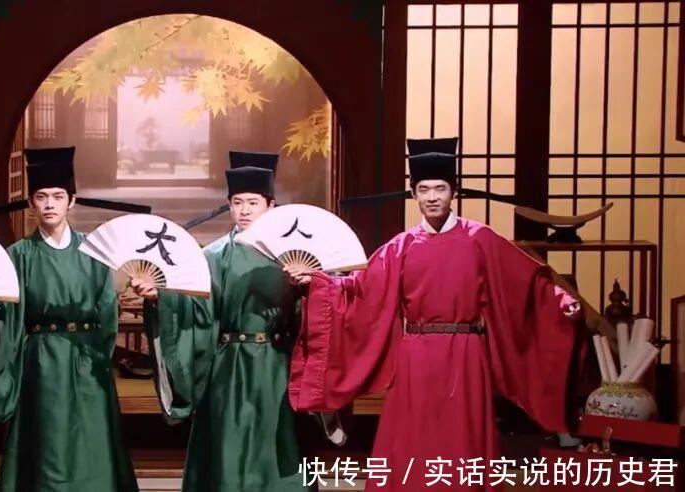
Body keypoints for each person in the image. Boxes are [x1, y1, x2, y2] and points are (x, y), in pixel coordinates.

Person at [285, 137, 583, 491]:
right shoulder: (401, 246)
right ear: (414, 195)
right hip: (416, 353)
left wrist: (560, 299)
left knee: (463, 435)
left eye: (440, 188)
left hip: (466, 353)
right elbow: (361, 289)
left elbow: (523, 281)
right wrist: (319, 283)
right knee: (413, 434)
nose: (432, 197)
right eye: (423, 189)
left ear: (453, 192)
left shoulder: (480, 239)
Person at [0, 147, 147, 492]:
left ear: (71, 201)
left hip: (88, 360)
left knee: (92, 441)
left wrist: (98, 358)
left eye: (58, 196)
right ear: (31, 204)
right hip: (39, 362)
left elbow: (107, 311)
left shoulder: (94, 252)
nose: (50, 204)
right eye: (41, 197)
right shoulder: (18, 255)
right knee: (46, 442)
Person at [131, 151, 337, 491]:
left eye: (253, 203)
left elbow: (320, 311)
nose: (244, 210)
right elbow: (195, 310)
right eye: (237, 202)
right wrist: (160, 298)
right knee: (227, 446)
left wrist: (308, 288)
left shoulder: (294, 254)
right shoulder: (212, 256)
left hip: (277, 365)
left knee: (278, 446)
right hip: (228, 367)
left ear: (270, 205)